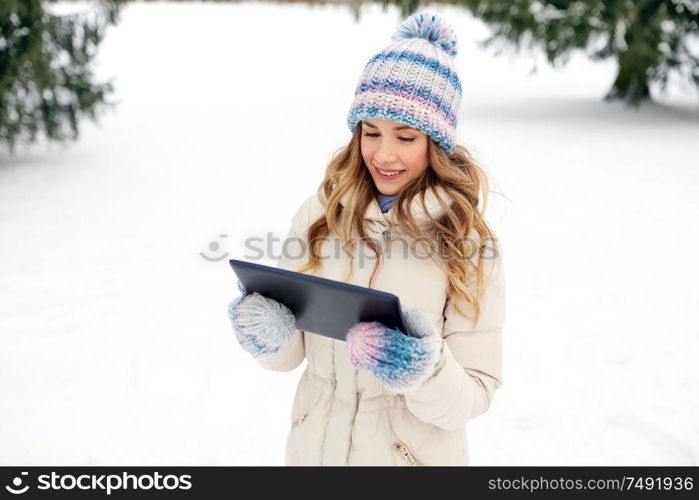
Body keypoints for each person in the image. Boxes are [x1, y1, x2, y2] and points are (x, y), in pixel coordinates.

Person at [228, 11, 505, 466]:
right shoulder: (320, 214)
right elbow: (294, 355)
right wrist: (271, 335)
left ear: (437, 144)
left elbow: (475, 392)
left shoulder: (467, 243)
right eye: (370, 132)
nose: (383, 153)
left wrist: (422, 371)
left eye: (406, 136)